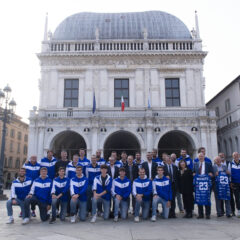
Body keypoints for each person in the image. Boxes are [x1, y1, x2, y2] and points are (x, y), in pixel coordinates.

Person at [193, 153, 213, 219]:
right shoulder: (195, 164)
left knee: (207, 198)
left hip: (206, 184)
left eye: (202, 156)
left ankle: (207, 214)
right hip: (198, 185)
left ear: (204, 157)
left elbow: (211, 172)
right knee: (199, 198)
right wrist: (193, 174)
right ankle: (200, 214)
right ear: (198, 157)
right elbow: (193, 172)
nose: (201, 157)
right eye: (199, 156)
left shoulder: (208, 164)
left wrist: (211, 174)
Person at [228, 152, 240, 217]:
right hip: (235, 183)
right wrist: (230, 182)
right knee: (237, 197)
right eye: (234, 156)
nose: (236, 156)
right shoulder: (230, 164)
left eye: (237, 155)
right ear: (233, 157)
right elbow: (229, 174)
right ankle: (238, 210)